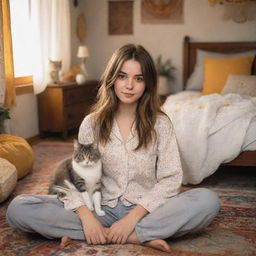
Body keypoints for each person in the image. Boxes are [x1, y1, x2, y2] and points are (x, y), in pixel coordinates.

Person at [6, 44, 220, 253]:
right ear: (112, 79)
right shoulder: (92, 123)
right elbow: (75, 180)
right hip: (99, 208)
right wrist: (87, 218)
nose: (129, 85)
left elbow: (171, 178)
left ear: (148, 84)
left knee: (207, 201)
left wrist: (132, 219)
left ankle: (130, 234)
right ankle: (136, 235)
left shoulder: (160, 124)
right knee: (19, 208)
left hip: (145, 210)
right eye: (122, 76)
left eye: (139, 78)